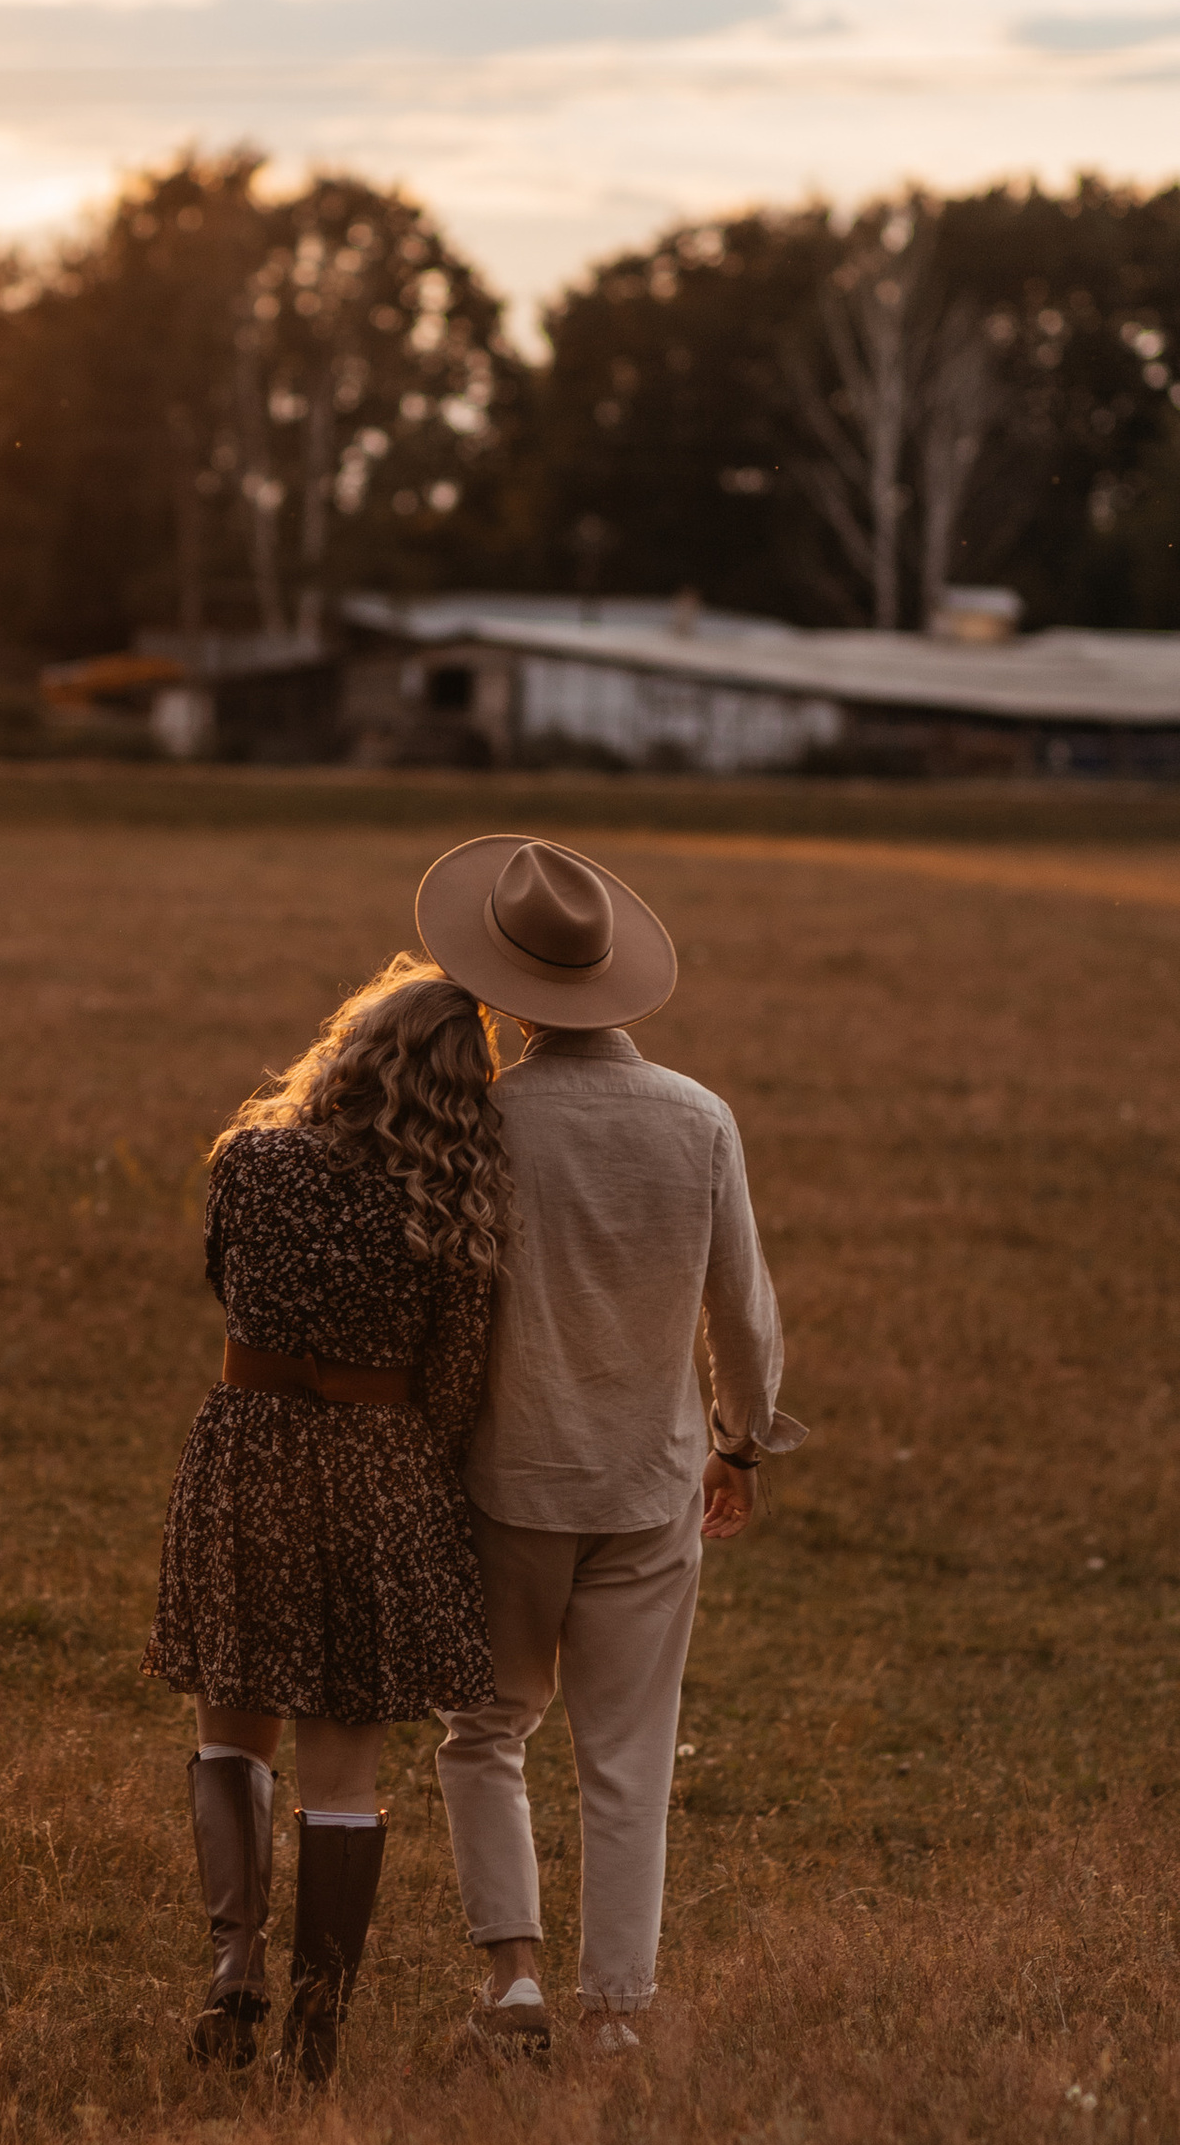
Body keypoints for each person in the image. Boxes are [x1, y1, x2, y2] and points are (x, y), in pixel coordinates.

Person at [414, 834, 806, 2057]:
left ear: (503, 985)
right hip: (650, 1483)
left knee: (485, 1728)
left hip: (507, 1479)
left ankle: (513, 1981)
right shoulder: (699, 1120)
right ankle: (617, 2013)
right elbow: (740, 1309)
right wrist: (737, 1444)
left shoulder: (482, 1122)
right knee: (626, 1754)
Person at [146, 955, 511, 2080]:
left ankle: (231, 1965)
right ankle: (319, 2016)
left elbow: (228, 1290)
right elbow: (453, 1386)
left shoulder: (251, 1163)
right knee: (343, 1777)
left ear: (351, 1052)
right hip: (375, 1473)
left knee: (230, 1726)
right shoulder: (455, 1203)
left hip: (247, 1457)